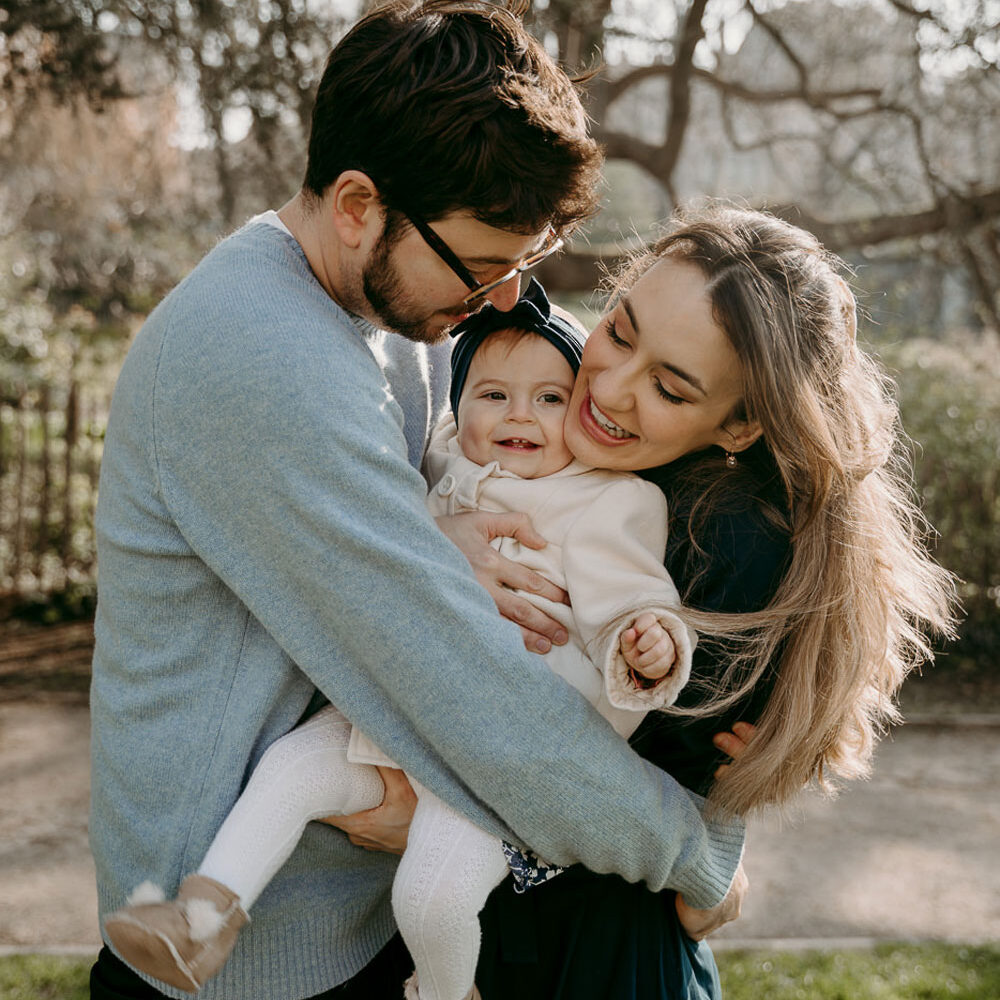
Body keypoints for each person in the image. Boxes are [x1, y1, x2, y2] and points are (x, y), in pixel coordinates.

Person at [88, 5, 749, 1000]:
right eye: (483, 268)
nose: (495, 300)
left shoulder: (382, 319)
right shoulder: (260, 356)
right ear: (358, 205)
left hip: (344, 924)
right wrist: (696, 856)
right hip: (252, 966)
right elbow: (465, 689)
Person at [102, 280, 699, 1000]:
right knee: (289, 770)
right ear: (457, 405)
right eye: (493, 395)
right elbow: (371, 541)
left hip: (495, 760)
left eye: (549, 397)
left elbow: (632, 596)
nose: (521, 415)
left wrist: (646, 642)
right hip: (390, 721)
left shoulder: (605, 498)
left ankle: (444, 994)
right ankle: (199, 920)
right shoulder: (440, 462)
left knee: (432, 895)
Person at [444, 203, 954, 998]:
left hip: (588, 958)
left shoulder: (731, 543)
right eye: (618, 331)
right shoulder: (544, 415)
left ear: (741, 425)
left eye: (670, 388)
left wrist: (712, 861)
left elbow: (606, 786)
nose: (607, 388)